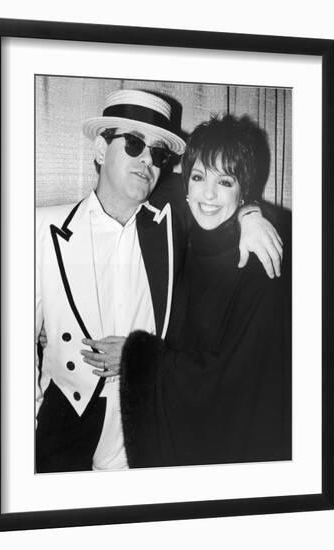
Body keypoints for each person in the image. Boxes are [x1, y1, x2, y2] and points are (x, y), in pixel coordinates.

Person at [36, 91, 283, 473]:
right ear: (101, 149)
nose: (147, 160)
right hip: (66, 422)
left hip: (146, 421)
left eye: (159, 154)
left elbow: (219, 187)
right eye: (133, 144)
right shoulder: (41, 228)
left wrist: (252, 213)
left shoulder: (169, 221)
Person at [117, 114, 292, 468]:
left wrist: (135, 357)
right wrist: (250, 212)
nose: (208, 194)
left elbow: (228, 387)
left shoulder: (259, 260)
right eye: (198, 177)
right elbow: (159, 185)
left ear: (244, 189)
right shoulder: (187, 237)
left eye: (225, 182)